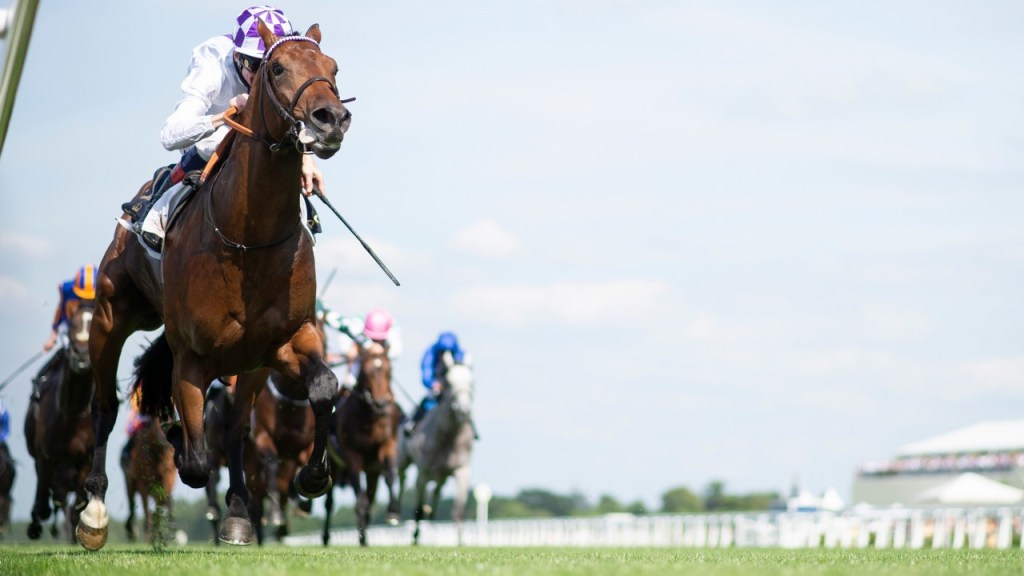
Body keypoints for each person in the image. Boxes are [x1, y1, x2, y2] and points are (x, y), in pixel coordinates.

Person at [134, 5, 326, 252]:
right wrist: (225, 117)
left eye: (269, 67)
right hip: (210, 144)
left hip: (265, 148)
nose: (261, 77)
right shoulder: (211, 65)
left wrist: (307, 159)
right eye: (255, 65)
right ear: (238, 57)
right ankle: (160, 207)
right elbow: (170, 135)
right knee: (219, 141)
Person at [32, 265, 96, 400]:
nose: (87, 300)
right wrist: (52, 337)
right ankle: (41, 379)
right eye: (83, 296)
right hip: (70, 325)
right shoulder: (66, 290)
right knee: (67, 350)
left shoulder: (102, 291)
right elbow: (60, 313)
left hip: (90, 328)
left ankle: (114, 388)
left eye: (90, 297)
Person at [405, 331, 465, 436]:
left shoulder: (459, 355)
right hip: (436, 390)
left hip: (452, 391)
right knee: (427, 403)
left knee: (462, 406)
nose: (444, 354)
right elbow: (426, 372)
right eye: (442, 351)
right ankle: (413, 423)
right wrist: (433, 383)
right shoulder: (431, 354)